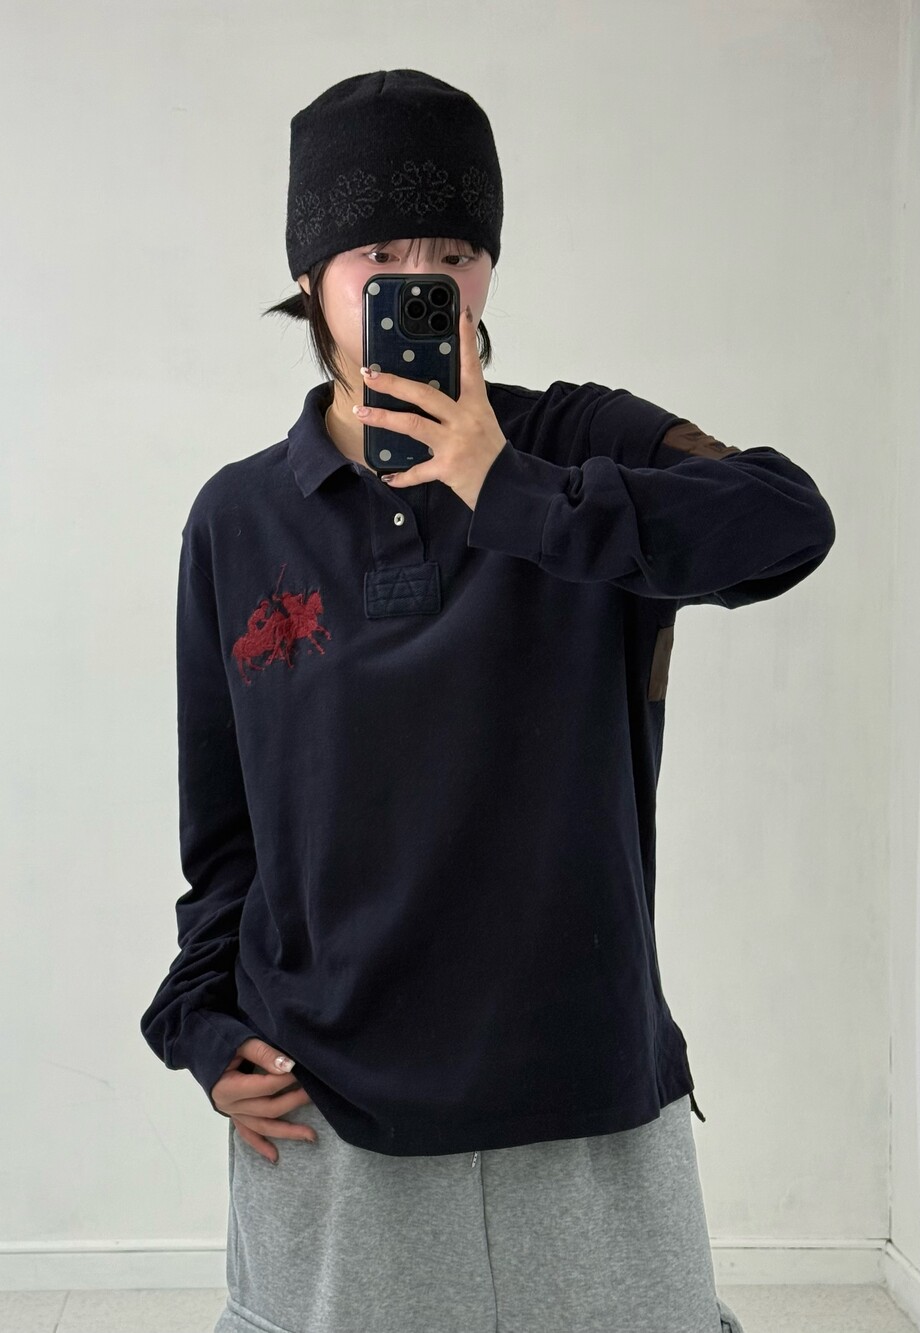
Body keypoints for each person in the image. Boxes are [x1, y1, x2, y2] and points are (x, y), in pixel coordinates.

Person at [141, 68, 836, 1333]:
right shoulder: (237, 519)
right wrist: (200, 1021)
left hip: (583, 1088)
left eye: (455, 253)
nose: (424, 285)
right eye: (379, 254)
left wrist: (505, 486)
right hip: (327, 1103)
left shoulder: (579, 445)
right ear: (310, 274)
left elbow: (786, 521)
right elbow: (226, 827)